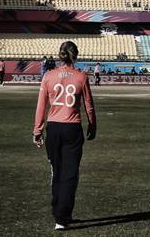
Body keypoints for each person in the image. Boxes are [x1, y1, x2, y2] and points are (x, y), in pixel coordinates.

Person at [32, 41, 97, 231]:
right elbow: (89, 105)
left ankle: (59, 212)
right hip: (72, 128)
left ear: (60, 56)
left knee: (57, 171)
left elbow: (41, 106)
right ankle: (62, 216)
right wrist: (93, 126)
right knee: (70, 173)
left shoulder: (48, 76)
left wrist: (37, 130)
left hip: (53, 128)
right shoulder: (81, 77)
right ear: (75, 55)